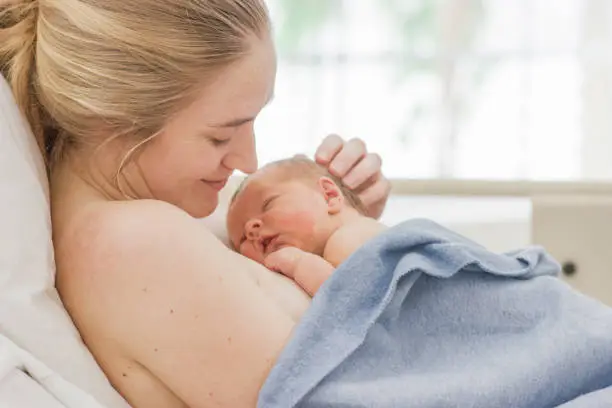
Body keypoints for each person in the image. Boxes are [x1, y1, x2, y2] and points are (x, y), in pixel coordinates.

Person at [0, 1, 392, 407]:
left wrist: (344, 229)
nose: (248, 161)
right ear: (116, 121)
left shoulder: (164, 209)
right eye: (220, 137)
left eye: (253, 121)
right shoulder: (134, 245)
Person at [227, 156, 387, 297]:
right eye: (242, 240)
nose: (250, 228)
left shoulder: (350, 236)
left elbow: (351, 302)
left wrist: (298, 265)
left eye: (268, 205)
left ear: (329, 195)